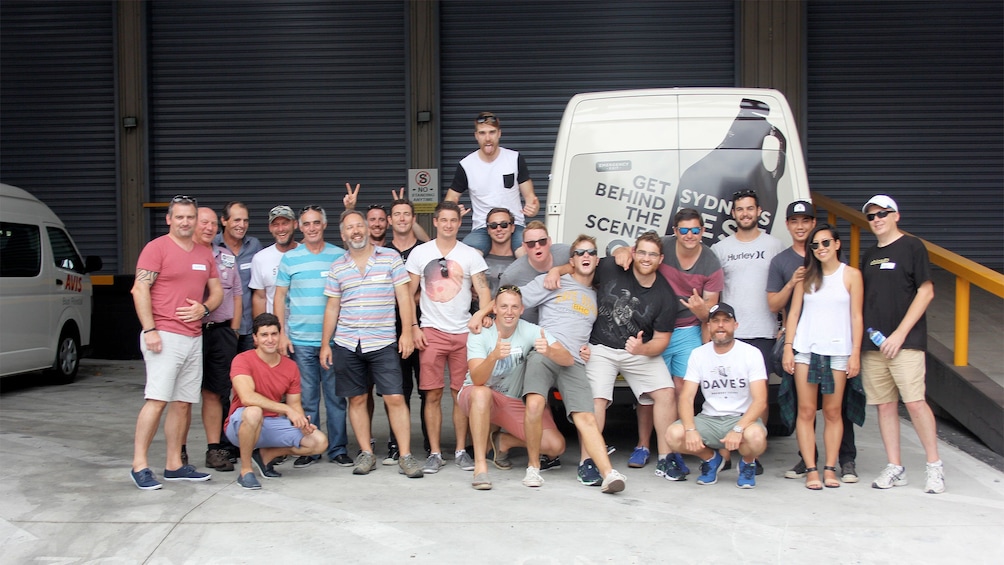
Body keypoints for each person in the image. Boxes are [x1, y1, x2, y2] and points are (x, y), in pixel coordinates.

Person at [549, 232, 681, 481]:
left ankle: (666, 459)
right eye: (641, 252)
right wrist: (556, 270)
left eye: (652, 254)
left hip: (638, 350)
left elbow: (662, 341)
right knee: (597, 399)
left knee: (666, 392)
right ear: (633, 252)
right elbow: (581, 265)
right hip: (601, 347)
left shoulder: (665, 295)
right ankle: (587, 461)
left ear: (660, 259)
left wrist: (643, 349)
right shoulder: (612, 266)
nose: (645, 258)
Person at [610, 208, 722, 474]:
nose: (689, 235)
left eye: (695, 230)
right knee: (649, 392)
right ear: (675, 231)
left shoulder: (711, 263)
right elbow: (633, 251)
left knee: (680, 390)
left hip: (686, 330)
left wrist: (701, 311)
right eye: (684, 230)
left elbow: (710, 312)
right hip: (652, 327)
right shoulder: (663, 247)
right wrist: (622, 251)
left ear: (703, 232)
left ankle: (673, 448)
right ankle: (643, 445)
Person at [318, 210, 424, 479]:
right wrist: (325, 344)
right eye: (350, 228)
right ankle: (366, 453)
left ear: (367, 229)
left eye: (359, 226)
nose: (356, 231)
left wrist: (409, 332)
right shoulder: (338, 267)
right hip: (346, 342)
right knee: (357, 399)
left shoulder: (389, 258)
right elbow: (332, 307)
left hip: (383, 341)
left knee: (395, 397)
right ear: (343, 235)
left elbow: (404, 297)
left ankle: (406, 455)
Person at [518, 235, 626, 493]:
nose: (585, 256)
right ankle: (533, 468)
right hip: (545, 351)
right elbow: (511, 299)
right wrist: (483, 315)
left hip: (574, 360)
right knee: (534, 403)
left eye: (590, 252)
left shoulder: (598, 294)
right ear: (572, 260)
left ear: (596, 259)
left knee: (586, 416)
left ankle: (609, 473)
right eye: (579, 253)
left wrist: (588, 346)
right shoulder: (554, 281)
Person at [129, 195, 223, 490]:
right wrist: (149, 330)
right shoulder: (156, 248)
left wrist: (204, 309)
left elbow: (217, 290)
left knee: (183, 404)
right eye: (179, 217)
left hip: (194, 336)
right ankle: (139, 465)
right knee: (157, 400)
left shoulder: (204, 254)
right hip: (163, 335)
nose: (185, 222)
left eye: (190, 217)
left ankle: (174, 464)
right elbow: (139, 289)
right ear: (169, 219)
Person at [859, 194, 943, 494]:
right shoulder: (868, 255)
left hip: (905, 344)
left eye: (883, 213)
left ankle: (934, 466)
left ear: (897, 215)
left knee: (915, 402)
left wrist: (899, 334)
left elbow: (926, 292)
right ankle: (895, 466)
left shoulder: (912, 247)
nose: (877, 219)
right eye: (871, 215)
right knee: (884, 407)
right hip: (874, 345)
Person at [406, 201, 492, 474]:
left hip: (463, 334)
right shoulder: (420, 253)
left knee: (460, 395)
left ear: (459, 223)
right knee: (431, 395)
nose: (448, 225)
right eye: (443, 220)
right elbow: (406, 294)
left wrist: (479, 316)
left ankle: (459, 450)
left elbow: (485, 292)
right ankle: (434, 453)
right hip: (431, 332)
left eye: (453, 220)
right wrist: (412, 326)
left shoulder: (470, 255)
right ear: (435, 222)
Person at [458, 285, 569, 490]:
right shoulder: (480, 332)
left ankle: (503, 441)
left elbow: (568, 358)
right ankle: (480, 467)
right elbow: (477, 379)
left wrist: (550, 352)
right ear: (495, 309)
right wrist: (493, 357)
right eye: (504, 306)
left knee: (556, 447)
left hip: (512, 399)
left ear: (522, 309)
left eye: (514, 307)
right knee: (482, 393)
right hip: (476, 395)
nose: (509, 312)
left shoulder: (531, 330)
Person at [782, 223, 864, 490]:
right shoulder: (805, 276)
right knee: (805, 411)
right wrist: (788, 347)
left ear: (837, 244)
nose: (820, 249)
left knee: (832, 412)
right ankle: (811, 469)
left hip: (839, 351)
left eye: (825, 243)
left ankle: (830, 467)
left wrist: (855, 354)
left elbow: (856, 316)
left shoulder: (851, 275)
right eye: (815, 245)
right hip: (806, 350)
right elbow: (793, 314)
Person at [272, 205, 352, 467]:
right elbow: (280, 296)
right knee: (306, 399)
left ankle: (338, 448)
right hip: (300, 342)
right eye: (306, 224)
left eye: (316, 223)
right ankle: (311, 448)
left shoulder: (340, 256)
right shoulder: (290, 259)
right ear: (299, 227)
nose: (312, 228)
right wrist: (283, 333)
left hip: (333, 341)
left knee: (336, 399)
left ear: (324, 225)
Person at [667, 303, 768, 488]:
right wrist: (690, 430)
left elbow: (760, 400)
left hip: (740, 418)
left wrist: (738, 429)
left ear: (735, 325)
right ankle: (711, 459)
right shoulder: (698, 354)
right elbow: (687, 397)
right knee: (673, 435)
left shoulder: (751, 354)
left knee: (757, 439)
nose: (720, 325)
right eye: (715, 321)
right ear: (708, 326)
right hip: (709, 419)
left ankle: (747, 462)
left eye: (726, 321)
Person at [225, 313, 329, 490]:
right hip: (241, 424)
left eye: (274, 334)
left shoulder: (290, 366)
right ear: (255, 338)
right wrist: (285, 409)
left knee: (319, 442)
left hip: (272, 423)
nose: (270, 339)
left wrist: (302, 422)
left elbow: (294, 404)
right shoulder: (242, 360)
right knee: (254, 411)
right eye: (264, 335)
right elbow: (247, 397)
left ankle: (265, 456)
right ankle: (246, 471)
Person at [444, 111, 539, 255]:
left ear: (499, 133)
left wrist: (534, 208)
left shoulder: (514, 158)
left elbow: (531, 198)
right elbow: (450, 200)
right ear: (476, 135)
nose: (488, 138)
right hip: (483, 227)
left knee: (526, 255)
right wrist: (455, 209)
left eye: (492, 132)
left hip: (514, 225)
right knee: (465, 258)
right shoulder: (466, 164)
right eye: (482, 133)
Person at [195, 207, 242, 473]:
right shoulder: (184, 254)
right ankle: (178, 450)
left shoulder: (225, 256)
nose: (209, 227)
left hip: (222, 331)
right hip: (192, 331)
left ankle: (214, 450)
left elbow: (236, 293)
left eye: (213, 223)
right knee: (183, 394)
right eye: (204, 222)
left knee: (216, 392)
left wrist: (234, 329)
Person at [386, 196, 429, 462]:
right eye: (397, 214)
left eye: (406, 214)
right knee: (397, 391)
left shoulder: (426, 251)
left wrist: (406, 299)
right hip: (390, 330)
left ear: (413, 219)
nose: (402, 218)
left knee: (427, 390)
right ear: (390, 220)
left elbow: (432, 289)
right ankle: (396, 446)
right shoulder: (382, 252)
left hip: (423, 329)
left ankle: (428, 445)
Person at [497, 221, 571, 323]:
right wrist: (481, 314)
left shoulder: (566, 253)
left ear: (549, 241)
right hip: (528, 329)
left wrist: (557, 270)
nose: (537, 246)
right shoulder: (511, 275)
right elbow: (500, 303)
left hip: (562, 323)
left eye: (542, 241)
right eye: (531, 243)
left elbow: (583, 266)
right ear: (524, 246)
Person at [213, 201, 262, 352]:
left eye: (245, 220)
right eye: (237, 220)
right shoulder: (212, 244)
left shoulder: (254, 245)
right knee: (221, 372)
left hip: (247, 326)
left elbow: (259, 289)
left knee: (247, 372)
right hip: (220, 326)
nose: (242, 225)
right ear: (224, 220)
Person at [249, 205, 299, 318]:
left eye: (285, 223)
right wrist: (262, 330)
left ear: (295, 224)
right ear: (270, 228)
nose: (280, 229)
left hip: (303, 330)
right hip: (275, 331)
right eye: (275, 224)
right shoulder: (260, 259)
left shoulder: (306, 254)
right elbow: (260, 298)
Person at [481, 207, 518, 298]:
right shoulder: (478, 259)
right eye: (493, 225)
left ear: (512, 228)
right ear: (488, 230)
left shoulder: (521, 261)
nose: (498, 229)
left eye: (504, 224)